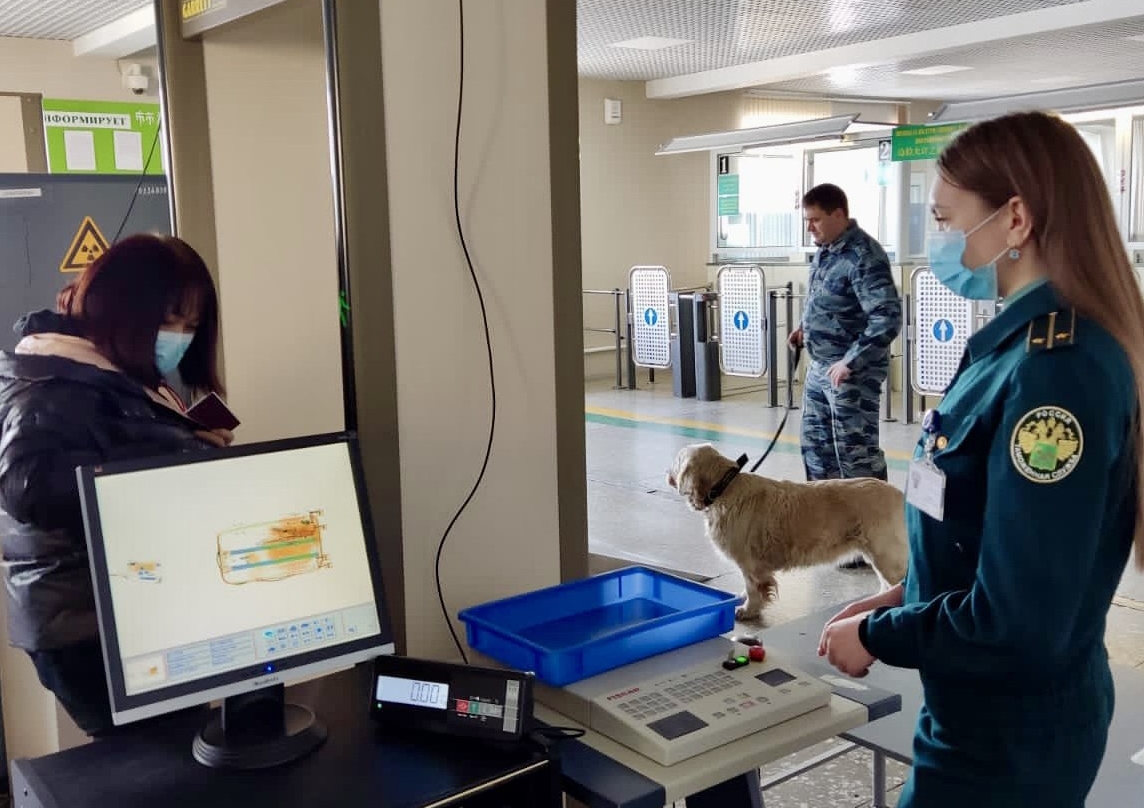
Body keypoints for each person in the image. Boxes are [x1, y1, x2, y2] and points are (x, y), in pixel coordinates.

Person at [818, 111, 1144, 808]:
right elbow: (980, 539)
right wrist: (905, 594)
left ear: (1015, 220)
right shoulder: (1013, 347)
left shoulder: (1056, 373)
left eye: (945, 219)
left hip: (1009, 736)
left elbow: (1019, 619)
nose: (937, 240)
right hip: (975, 710)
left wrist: (879, 634)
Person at [0, 234, 234, 736]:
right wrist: (176, 453)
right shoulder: (53, 381)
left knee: (176, 752)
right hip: (88, 629)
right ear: (123, 310)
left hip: (126, 609)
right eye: (168, 320)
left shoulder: (107, 373)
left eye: (191, 326)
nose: (179, 337)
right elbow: (29, 487)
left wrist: (191, 446)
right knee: (158, 759)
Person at [790, 183, 902, 484]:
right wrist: (805, 329)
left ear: (838, 215)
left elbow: (887, 318)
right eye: (807, 221)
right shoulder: (826, 252)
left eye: (815, 220)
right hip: (820, 368)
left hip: (852, 374)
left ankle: (871, 512)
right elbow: (824, 300)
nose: (810, 228)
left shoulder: (864, 255)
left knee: (855, 455)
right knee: (816, 449)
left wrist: (850, 362)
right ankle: (824, 510)